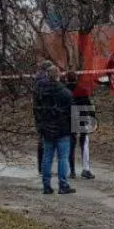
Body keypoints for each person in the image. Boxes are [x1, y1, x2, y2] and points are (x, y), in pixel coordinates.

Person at [33, 62, 74, 194]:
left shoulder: (41, 93)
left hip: (47, 129)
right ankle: (63, 185)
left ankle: (46, 185)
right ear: (58, 76)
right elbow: (71, 113)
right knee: (63, 158)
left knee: (47, 157)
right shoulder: (66, 93)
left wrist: (40, 125)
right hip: (63, 129)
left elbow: (37, 110)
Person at [66, 70, 95, 180]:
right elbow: (88, 105)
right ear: (76, 79)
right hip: (81, 117)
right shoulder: (82, 89)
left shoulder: (64, 90)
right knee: (84, 143)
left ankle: (72, 171)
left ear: (66, 79)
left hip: (69, 118)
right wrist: (92, 117)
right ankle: (86, 169)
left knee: (71, 144)